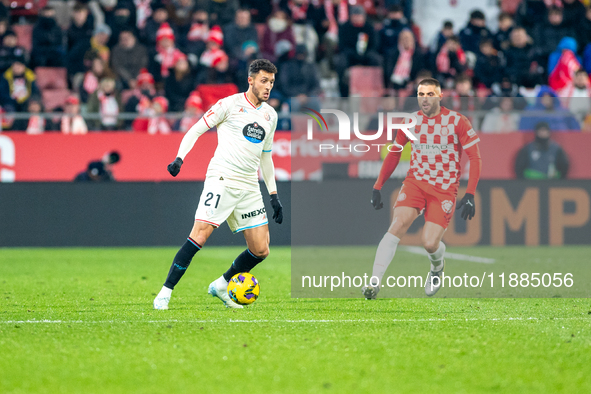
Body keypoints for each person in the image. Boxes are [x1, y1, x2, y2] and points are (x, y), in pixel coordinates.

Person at [153, 59, 283, 310]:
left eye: (272, 82)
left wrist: (273, 194)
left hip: (249, 186)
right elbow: (196, 130)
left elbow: (266, 156)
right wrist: (180, 158)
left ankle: (222, 284)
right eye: (264, 81)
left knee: (261, 250)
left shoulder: (270, 115)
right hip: (222, 179)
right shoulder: (229, 104)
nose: (268, 87)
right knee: (199, 235)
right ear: (251, 80)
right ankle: (165, 292)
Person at [364, 78, 482, 299]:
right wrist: (378, 186)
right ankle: (374, 282)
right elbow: (395, 153)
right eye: (420, 94)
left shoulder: (457, 121)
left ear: (439, 96)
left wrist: (470, 194)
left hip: (444, 188)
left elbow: (475, 157)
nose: (424, 99)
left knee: (429, 243)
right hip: (416, 183)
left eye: (429, 94)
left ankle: (437, 268)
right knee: (397, 225)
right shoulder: (409, 122)